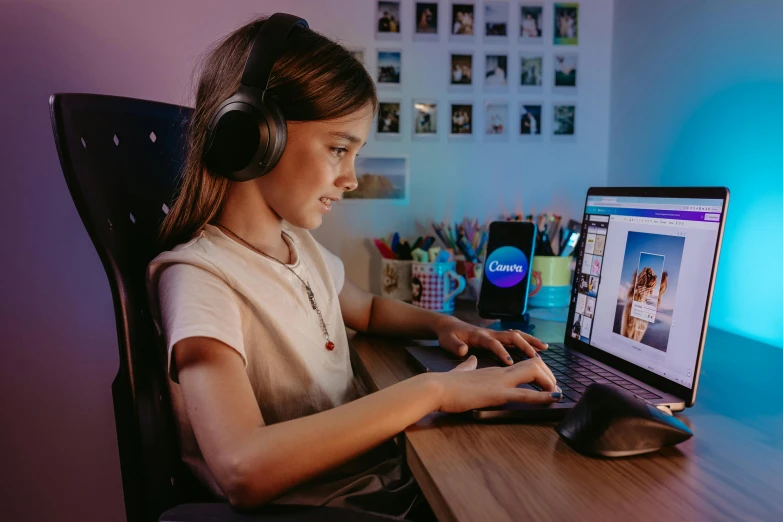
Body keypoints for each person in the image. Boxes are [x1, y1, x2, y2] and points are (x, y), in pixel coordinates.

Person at [146, 15, 560, 521]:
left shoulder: (298, 244)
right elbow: (242, 468)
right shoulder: (199, 279)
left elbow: (367, 309)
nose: (352, 178)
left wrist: (448, 325)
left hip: (378, 482)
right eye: (339, 149)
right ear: (254, 135)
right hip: (337, 508)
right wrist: (435, 389)